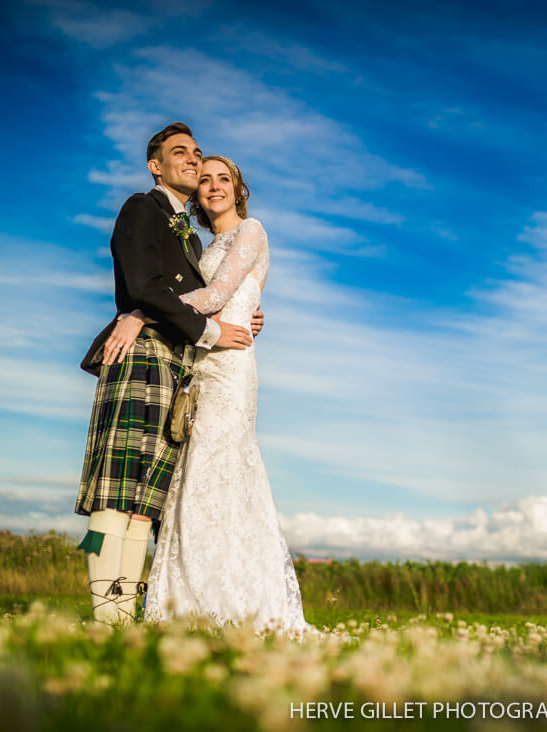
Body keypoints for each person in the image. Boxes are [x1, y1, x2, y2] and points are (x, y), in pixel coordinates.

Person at [105, 155, 313, 636]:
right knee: (190, 473)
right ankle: (184, 598)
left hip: (230, 366)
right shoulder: (199, 243)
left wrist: (141, 313)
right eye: (205, 180)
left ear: (239, 189)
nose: (214, 186)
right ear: (196, 194)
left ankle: (232, 601)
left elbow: (218, 297)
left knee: (219, 467)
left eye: (225, 179)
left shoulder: (252, 230)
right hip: (197, 364)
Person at [75, 123, 265, 625]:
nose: (193, 160)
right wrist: (189, 324)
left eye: (197, 153)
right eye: (179, 152)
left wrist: (241, 317)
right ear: (155, 165)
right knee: (118, 489)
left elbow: (205, 293)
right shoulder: (143, 206)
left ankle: (125, 614)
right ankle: (107, 613)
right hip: (139, 357)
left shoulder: (190, 235)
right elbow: (143, 285)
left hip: (175, 365)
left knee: (146, 499)